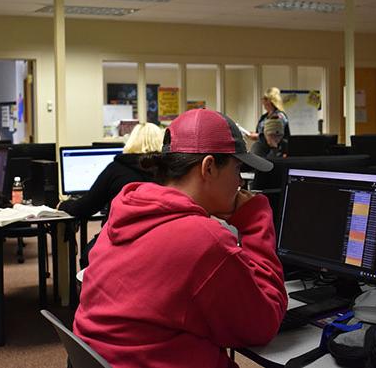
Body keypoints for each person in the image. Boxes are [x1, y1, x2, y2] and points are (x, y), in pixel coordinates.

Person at [73, 109, 287, 368]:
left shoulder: (125, 211)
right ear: (208, 167)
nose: (240, 182)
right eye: (238, 168)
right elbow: (263, 324)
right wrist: (255, 221)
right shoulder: (203, 239)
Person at [58, 123, 163, 265]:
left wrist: (63, 205)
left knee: (87, 257)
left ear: (131, 141)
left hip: (118, 240)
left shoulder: (116, 169)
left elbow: (86, 207)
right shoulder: (169, 173)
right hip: (157, 241)